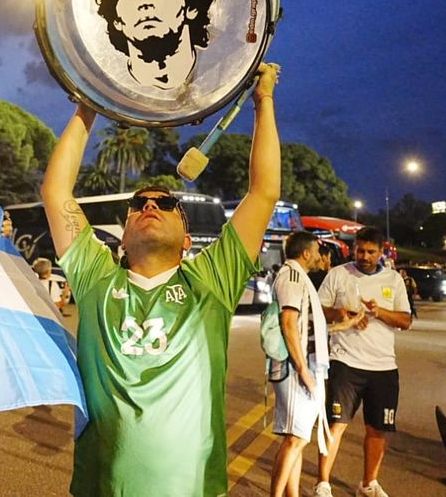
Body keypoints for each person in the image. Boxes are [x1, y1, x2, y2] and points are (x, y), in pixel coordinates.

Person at [40, 62, 280, 496]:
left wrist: (263, 101)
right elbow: (57, 193)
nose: (150, 205)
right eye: (139, 203)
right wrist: (88, 106)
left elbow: (263, 192)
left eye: (165, 203)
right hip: (102, 486)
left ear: (187, 239)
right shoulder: (95, 277)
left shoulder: (212, 279)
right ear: (124, 234)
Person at [314, 227, 412, 497]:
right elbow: (317, 308)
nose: (364, 256)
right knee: (336, 425)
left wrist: (379, 311)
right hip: (345, 363)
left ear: (382, 251)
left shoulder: (393, 280)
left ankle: (368, 484)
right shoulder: (338, 274)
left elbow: (406, 320)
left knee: (378, 429)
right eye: (360, 250)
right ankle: (323, 483)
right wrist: (339, 312)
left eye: (371, 251)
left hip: (383, 367)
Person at [269, 230, 365, 497]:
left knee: (298, 439)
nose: (321, 256)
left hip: (306, 366)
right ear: (307, 253)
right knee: (295, 439)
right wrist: (303, 370)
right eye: (318, 251)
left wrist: (347, 324)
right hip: (295, 369)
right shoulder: (290, 277)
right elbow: (288, 324)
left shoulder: (300, 278)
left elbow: (308, 329)